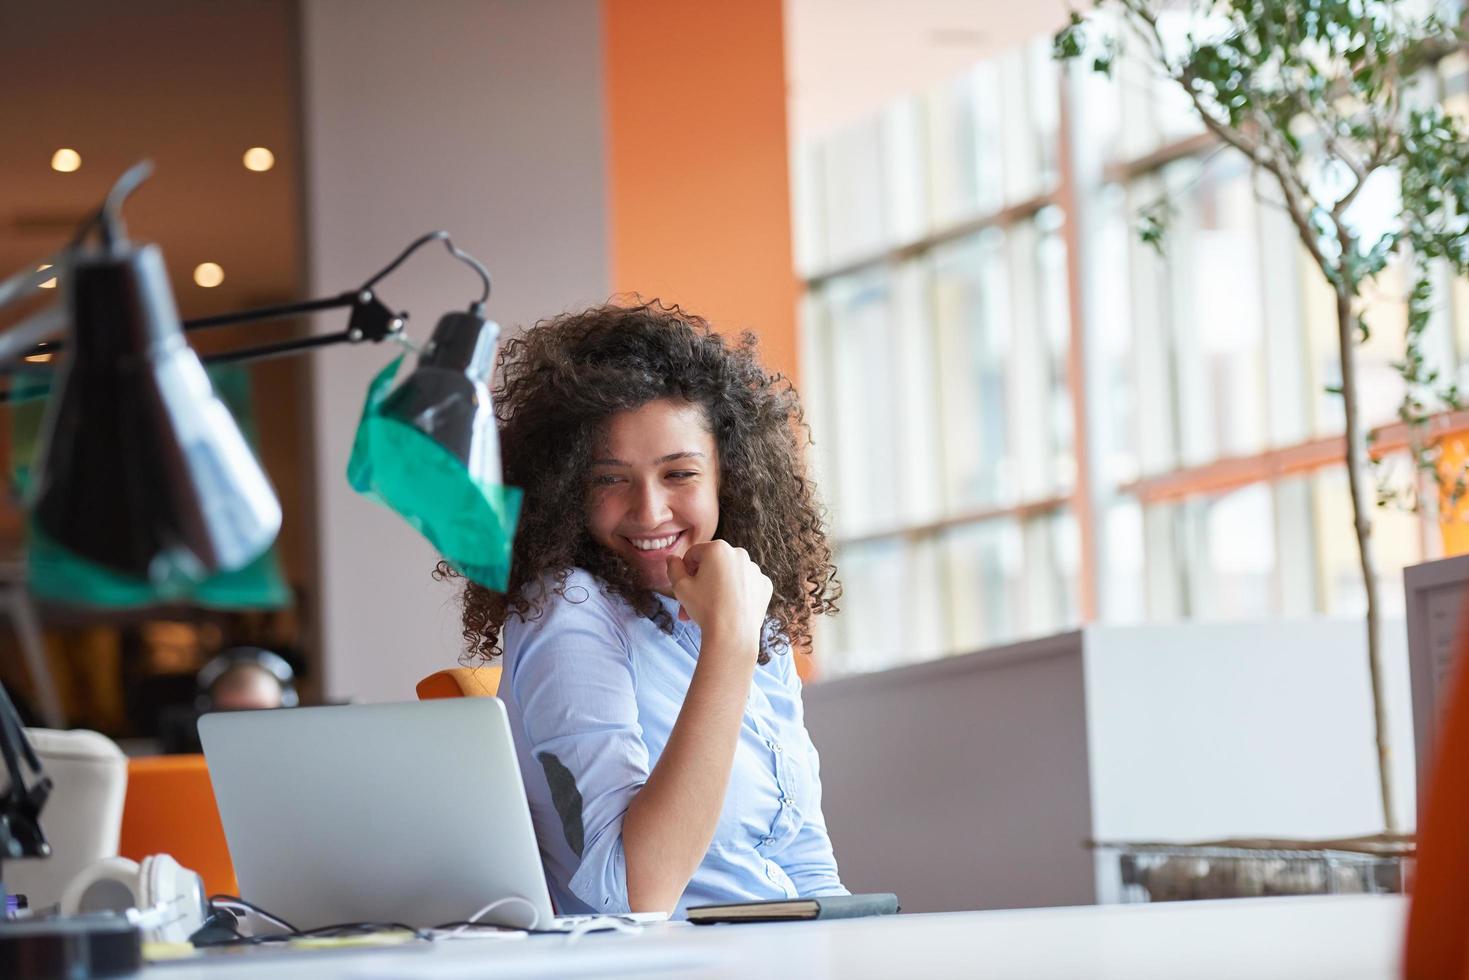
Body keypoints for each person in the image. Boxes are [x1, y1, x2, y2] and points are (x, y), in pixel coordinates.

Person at [437, 300, 846, 917]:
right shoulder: (569, 610)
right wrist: (728, 647)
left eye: (679, 474)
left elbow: (805, 863)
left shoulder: (743, 608)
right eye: (610, 479)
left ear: (726, 479)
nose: (650, 511)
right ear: (565, 487)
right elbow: (635, 894)